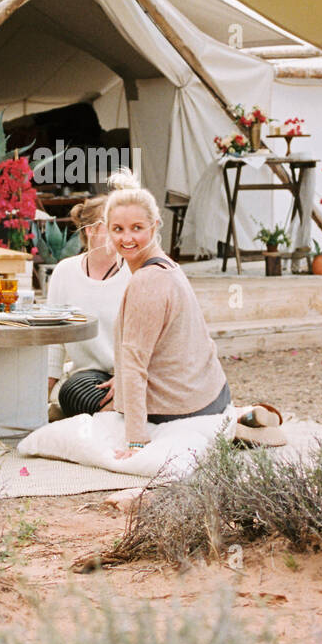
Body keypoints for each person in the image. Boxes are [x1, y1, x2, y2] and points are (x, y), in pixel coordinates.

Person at [103, 177, 230, 459]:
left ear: (155, 226)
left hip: (182, 406)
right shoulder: (169, 266)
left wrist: (136, 441)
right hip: (211, 393)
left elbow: (135, 364)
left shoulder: (147, 281)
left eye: (137, 228)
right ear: (107, 232)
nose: (127, 238)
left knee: (79, 392)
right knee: (96, 384)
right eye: (118, 229)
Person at [45, 195, 131, 417]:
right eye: (113, 226)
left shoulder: (135, 272)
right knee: (72, 391)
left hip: (132, 373)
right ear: (90, 231)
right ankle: (124, 411)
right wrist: (42, 395)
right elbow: (55, 340)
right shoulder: (64, 272)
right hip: (93, 379)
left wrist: (125, 378)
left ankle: (125, 410)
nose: (121, 234)